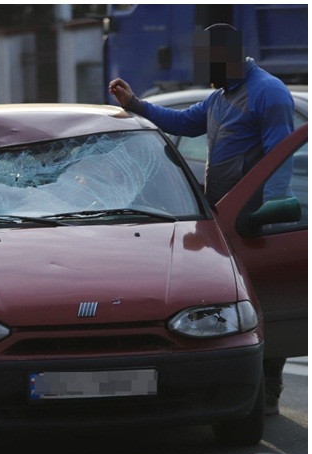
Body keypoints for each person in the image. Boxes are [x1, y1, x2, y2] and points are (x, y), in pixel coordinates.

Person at [108, 23, 295, 415]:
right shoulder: (220, 97)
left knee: (259, 303)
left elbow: (280, 157)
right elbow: (183, 122)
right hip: (221, 215)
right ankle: (235, 387)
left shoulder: (269, 92)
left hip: (254, 218)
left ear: (227, 57)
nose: (204, 72)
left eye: (208, 63)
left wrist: (271, 211)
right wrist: (137, 105)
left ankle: (268, 395)